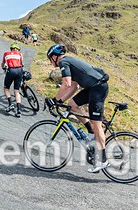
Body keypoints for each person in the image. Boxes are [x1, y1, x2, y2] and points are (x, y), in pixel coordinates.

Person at [44, 44, 110, 173]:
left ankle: (103, 160)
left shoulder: (64, 61)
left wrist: (54, 100)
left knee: (97, 124)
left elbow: (66, 84)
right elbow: (73, 87)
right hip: (92, 88)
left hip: (98, 88)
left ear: (54, 56)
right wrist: (59, 101)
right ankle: (90, 131)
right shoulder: (69, 63)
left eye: (50, 59)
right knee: (72, 104)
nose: (50, 62)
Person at [1, 43, 24, 117]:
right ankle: (19, 110)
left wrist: (3, 68)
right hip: (19, 70)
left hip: (11, 70)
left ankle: (11, 104)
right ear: (17, 49)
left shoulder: (6, 54)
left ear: (11, 49)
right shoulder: (20, 54)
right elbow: (21, 63)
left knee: (6, 88)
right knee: (16, 91)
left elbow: (3, 64)